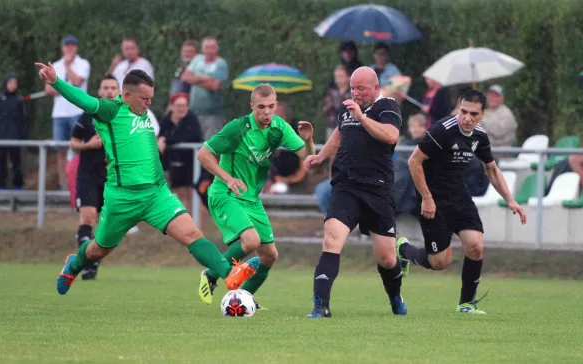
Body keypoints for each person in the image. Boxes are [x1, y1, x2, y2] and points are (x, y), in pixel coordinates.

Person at [35, 62, 260, 296]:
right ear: (127, 95)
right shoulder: (110, 110)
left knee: (192, 235)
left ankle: (229, 274)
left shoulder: (145, 112)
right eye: (144, 98)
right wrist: (55, 81)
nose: (149, 103)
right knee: (98, 250)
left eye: (151, 97)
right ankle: (73, 264)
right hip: (122, 198)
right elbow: (82, 99)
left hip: (156, 194)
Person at [397, 89, 527, 314]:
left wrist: (511, 200)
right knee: (440, 263)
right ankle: (405, 250)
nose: (467, 117)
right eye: (463, 111)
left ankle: (466, 303)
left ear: (482, 114)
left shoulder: (480, 136)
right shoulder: (442, 131)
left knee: (476, 246)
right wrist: (427, 198)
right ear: (458, 108)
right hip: (433, 199)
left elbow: (491, 169)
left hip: (459, 195)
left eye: (473, 114)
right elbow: (414, 161)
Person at [196, 83, 315, 307]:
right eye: (261, 106)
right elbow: (203, 154)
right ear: (252, 106)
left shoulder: (279, 127)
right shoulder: (237, 128)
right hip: (226, 193)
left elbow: (307, 158)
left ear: (276, 106)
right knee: (251, 240)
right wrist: (228, 178)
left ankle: (244, 298)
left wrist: (308, 140)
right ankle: (211, 274)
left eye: (271, 106)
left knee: (269, 255)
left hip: (251, 198)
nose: (267, 111)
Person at [303, 67, 407, 318]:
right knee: (331, 239)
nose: (356, 93)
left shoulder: (388, 107)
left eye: (361, 88)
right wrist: (320, 155)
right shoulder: (346, 109)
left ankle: (395, 295)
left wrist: (361, 117)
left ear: (375, 87)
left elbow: (391, 136)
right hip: (346, 187)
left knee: (387, 258)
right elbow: (339, 135)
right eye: (352, 88)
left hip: (377, 190)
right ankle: (321, 306)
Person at [69, 74, 119, 280]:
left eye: (112, 88)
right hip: (87, 174)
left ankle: (91, 257)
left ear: (119, 92)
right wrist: (88, 145)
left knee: (105, 225)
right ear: (99, 91)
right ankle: (88, 263)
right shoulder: (88, 114)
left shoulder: (121, 117)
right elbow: (73, 143)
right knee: (88, 218)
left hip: (111, 178)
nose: (108, 91)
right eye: (105, 87)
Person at [45, 35, 91, 190]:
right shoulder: (55, 65)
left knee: (78, 148)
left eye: (72, 45)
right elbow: (48, 89)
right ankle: (63, 186)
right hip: (59, 114)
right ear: (62, 47)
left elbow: (77, 82)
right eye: (66, 45)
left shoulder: (83, 64)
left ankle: (78, 183)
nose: (69, 48)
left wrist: (68, 66)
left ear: (76, 47)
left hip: (77, 111)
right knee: (61, 150)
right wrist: (63, 88)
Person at [158, 93, 203, 210]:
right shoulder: (166, 120)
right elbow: (161, 136)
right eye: (178, 106)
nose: (182, 109)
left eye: (184, 105)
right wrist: (160, 140)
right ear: (172, 106)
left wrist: (166, 140)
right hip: (175, 163)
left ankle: (197, 225)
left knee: (194, 194)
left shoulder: (192, 119)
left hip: (192, 162)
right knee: (180, 194)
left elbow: (191, 137)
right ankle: (186, 225)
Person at [182, 36, 229, 140]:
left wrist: (195, 79)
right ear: (203, 49)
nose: (209, 50)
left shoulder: (220, 63)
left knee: (210, 146)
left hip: (212, 114)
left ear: (217, 48)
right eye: (207, 47)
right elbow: (185, 77)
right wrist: (204, 78)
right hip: (193, 112)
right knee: (192, 143)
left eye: (212, 47)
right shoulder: (197, 59)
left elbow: (215, 86)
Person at [0, 73, 26, 189]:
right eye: (11, 83)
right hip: (1, 138)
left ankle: (18, 187)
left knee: (17, 164)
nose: (13, 86)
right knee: (1, 165)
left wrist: (23, 136)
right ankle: (0, 187)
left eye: (15, 83)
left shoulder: (19, 100)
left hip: (15, 138)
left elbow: (23, 120)